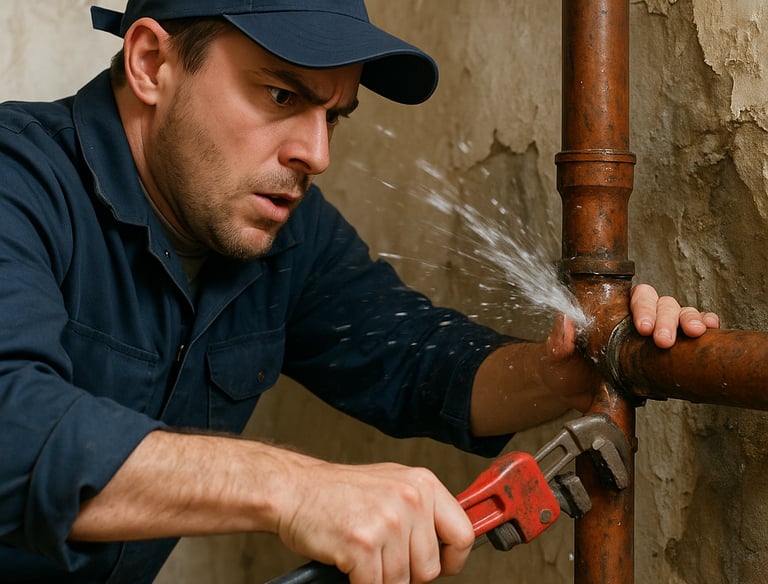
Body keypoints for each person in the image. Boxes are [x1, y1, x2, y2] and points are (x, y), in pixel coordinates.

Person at [0, 1, 719, 583]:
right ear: (151, 63)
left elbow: (419, 363)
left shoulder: (286, 234)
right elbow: (13, 431)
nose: (316, 153)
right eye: (281, 94)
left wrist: (563, 371)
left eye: (333, 115)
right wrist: (297, 489)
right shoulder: (17, 180)